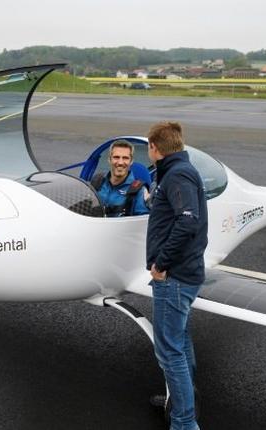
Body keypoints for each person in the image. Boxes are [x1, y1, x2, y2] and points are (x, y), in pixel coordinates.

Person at [145, 122, 208, 430]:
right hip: (184, 274)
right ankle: (185, 401)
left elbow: (187, 222)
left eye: (149, 147)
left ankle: (184, 422)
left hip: (175, 277)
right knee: (179, 342)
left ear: (155, 148)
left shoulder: (178, 175)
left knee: (169, 351)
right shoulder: (178, 173)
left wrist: (160, 263)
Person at [93, 140, 149, 217]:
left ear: (131, 161)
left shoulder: (139, 191)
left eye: (125, 158)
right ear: (109, 159)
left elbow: (142, 223)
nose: (120, 162)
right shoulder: (97, 181)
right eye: (116, 157)